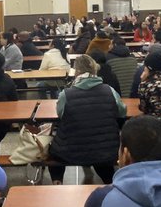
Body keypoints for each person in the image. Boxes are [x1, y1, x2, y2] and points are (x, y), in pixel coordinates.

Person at [47, 54, 127, 185]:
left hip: (70, 150)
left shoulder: (66, 94)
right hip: (106, 149)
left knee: (53, 154)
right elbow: (122, 112)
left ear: (77, 71)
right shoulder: (110, 91)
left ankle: (57, 182)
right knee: (101, 157)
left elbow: (61, 114)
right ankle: (111, 183)